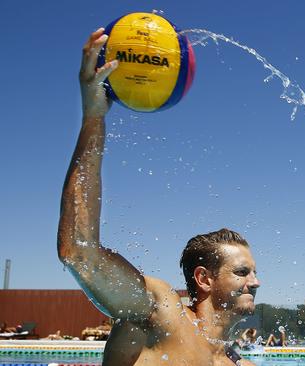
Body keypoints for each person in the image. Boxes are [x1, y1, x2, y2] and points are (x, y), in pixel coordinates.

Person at [57, 28, 260, 366]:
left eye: (252, 272)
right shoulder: (161, 312)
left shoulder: (238, 364)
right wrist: (93, 118)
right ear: (204, 279)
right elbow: (78, 252)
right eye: (242, 272)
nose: (256, 282)